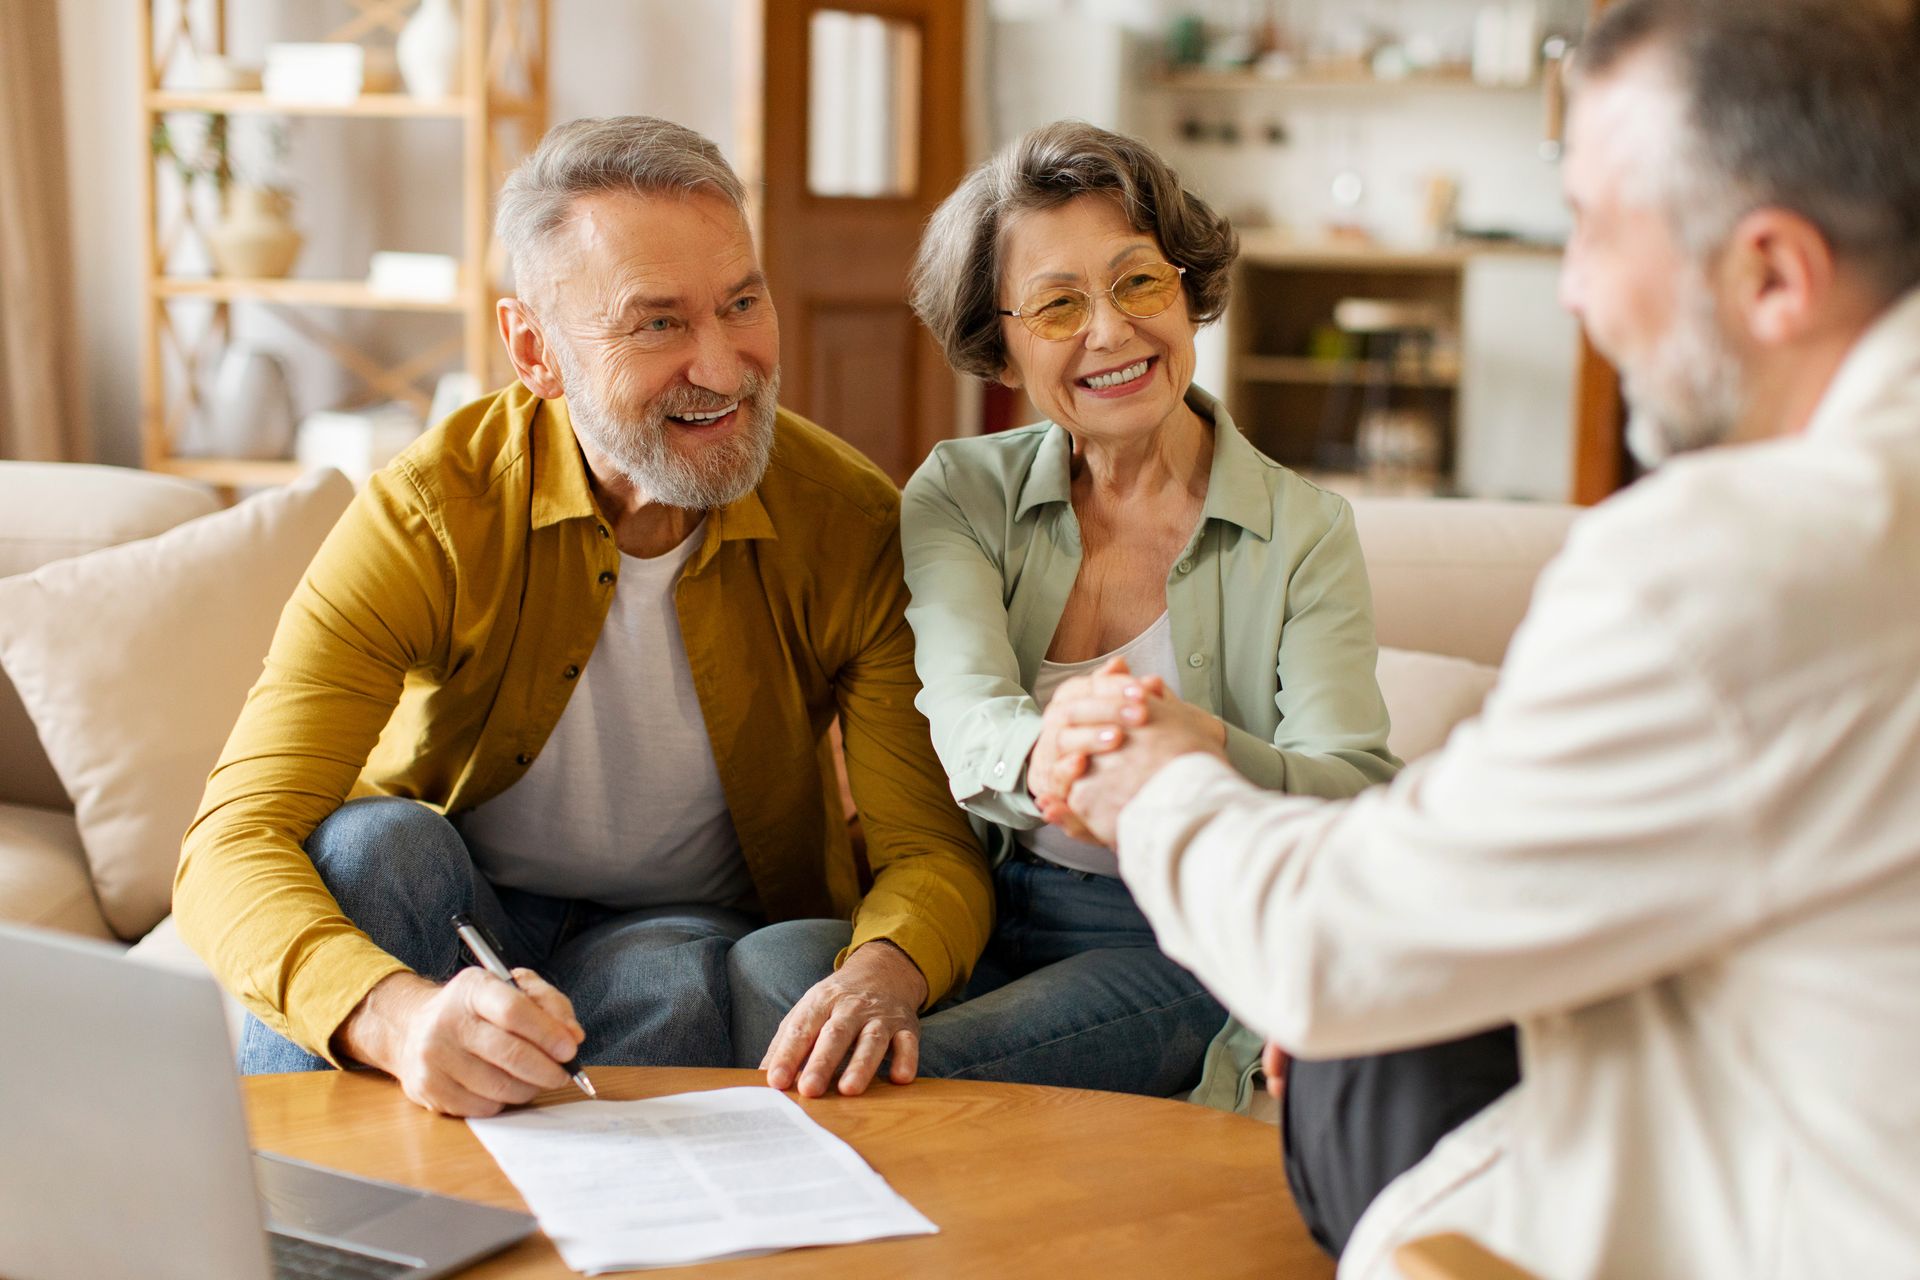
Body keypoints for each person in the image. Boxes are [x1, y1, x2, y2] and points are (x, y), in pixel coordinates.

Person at [1058, 0, 1920, 1274]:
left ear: (1775, 274)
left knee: (1369, 1043)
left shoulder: (1732, 561)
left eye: (1592, 227)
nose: (1571, 288)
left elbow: (1329, 952)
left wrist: (1154, 780)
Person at [174, 116, 992, 1118]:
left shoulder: (852, 521)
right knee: (368, 850)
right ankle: (288, 1234)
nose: (727, 366)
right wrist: (396, 1017)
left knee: (684, 978)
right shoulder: (431, 514)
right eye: (658, 323)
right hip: (460, 899)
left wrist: (882, 972)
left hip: (677, 922)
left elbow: (929, 849)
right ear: (535, 349)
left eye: (742, 302)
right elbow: (231, 840)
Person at [734, 120, 1401, 1102]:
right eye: (1055, 305)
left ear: (1188, 290)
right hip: (985, 904)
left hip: (1176, 932)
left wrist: (1197, 745)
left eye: (1138, 281)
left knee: (893, 1071)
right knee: (775, 966)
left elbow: (1355, 789)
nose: (1109, 331)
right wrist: (1056, 750)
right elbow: (962, 717)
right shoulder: (959, 493)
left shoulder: (1303, 530)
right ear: (999, 347)